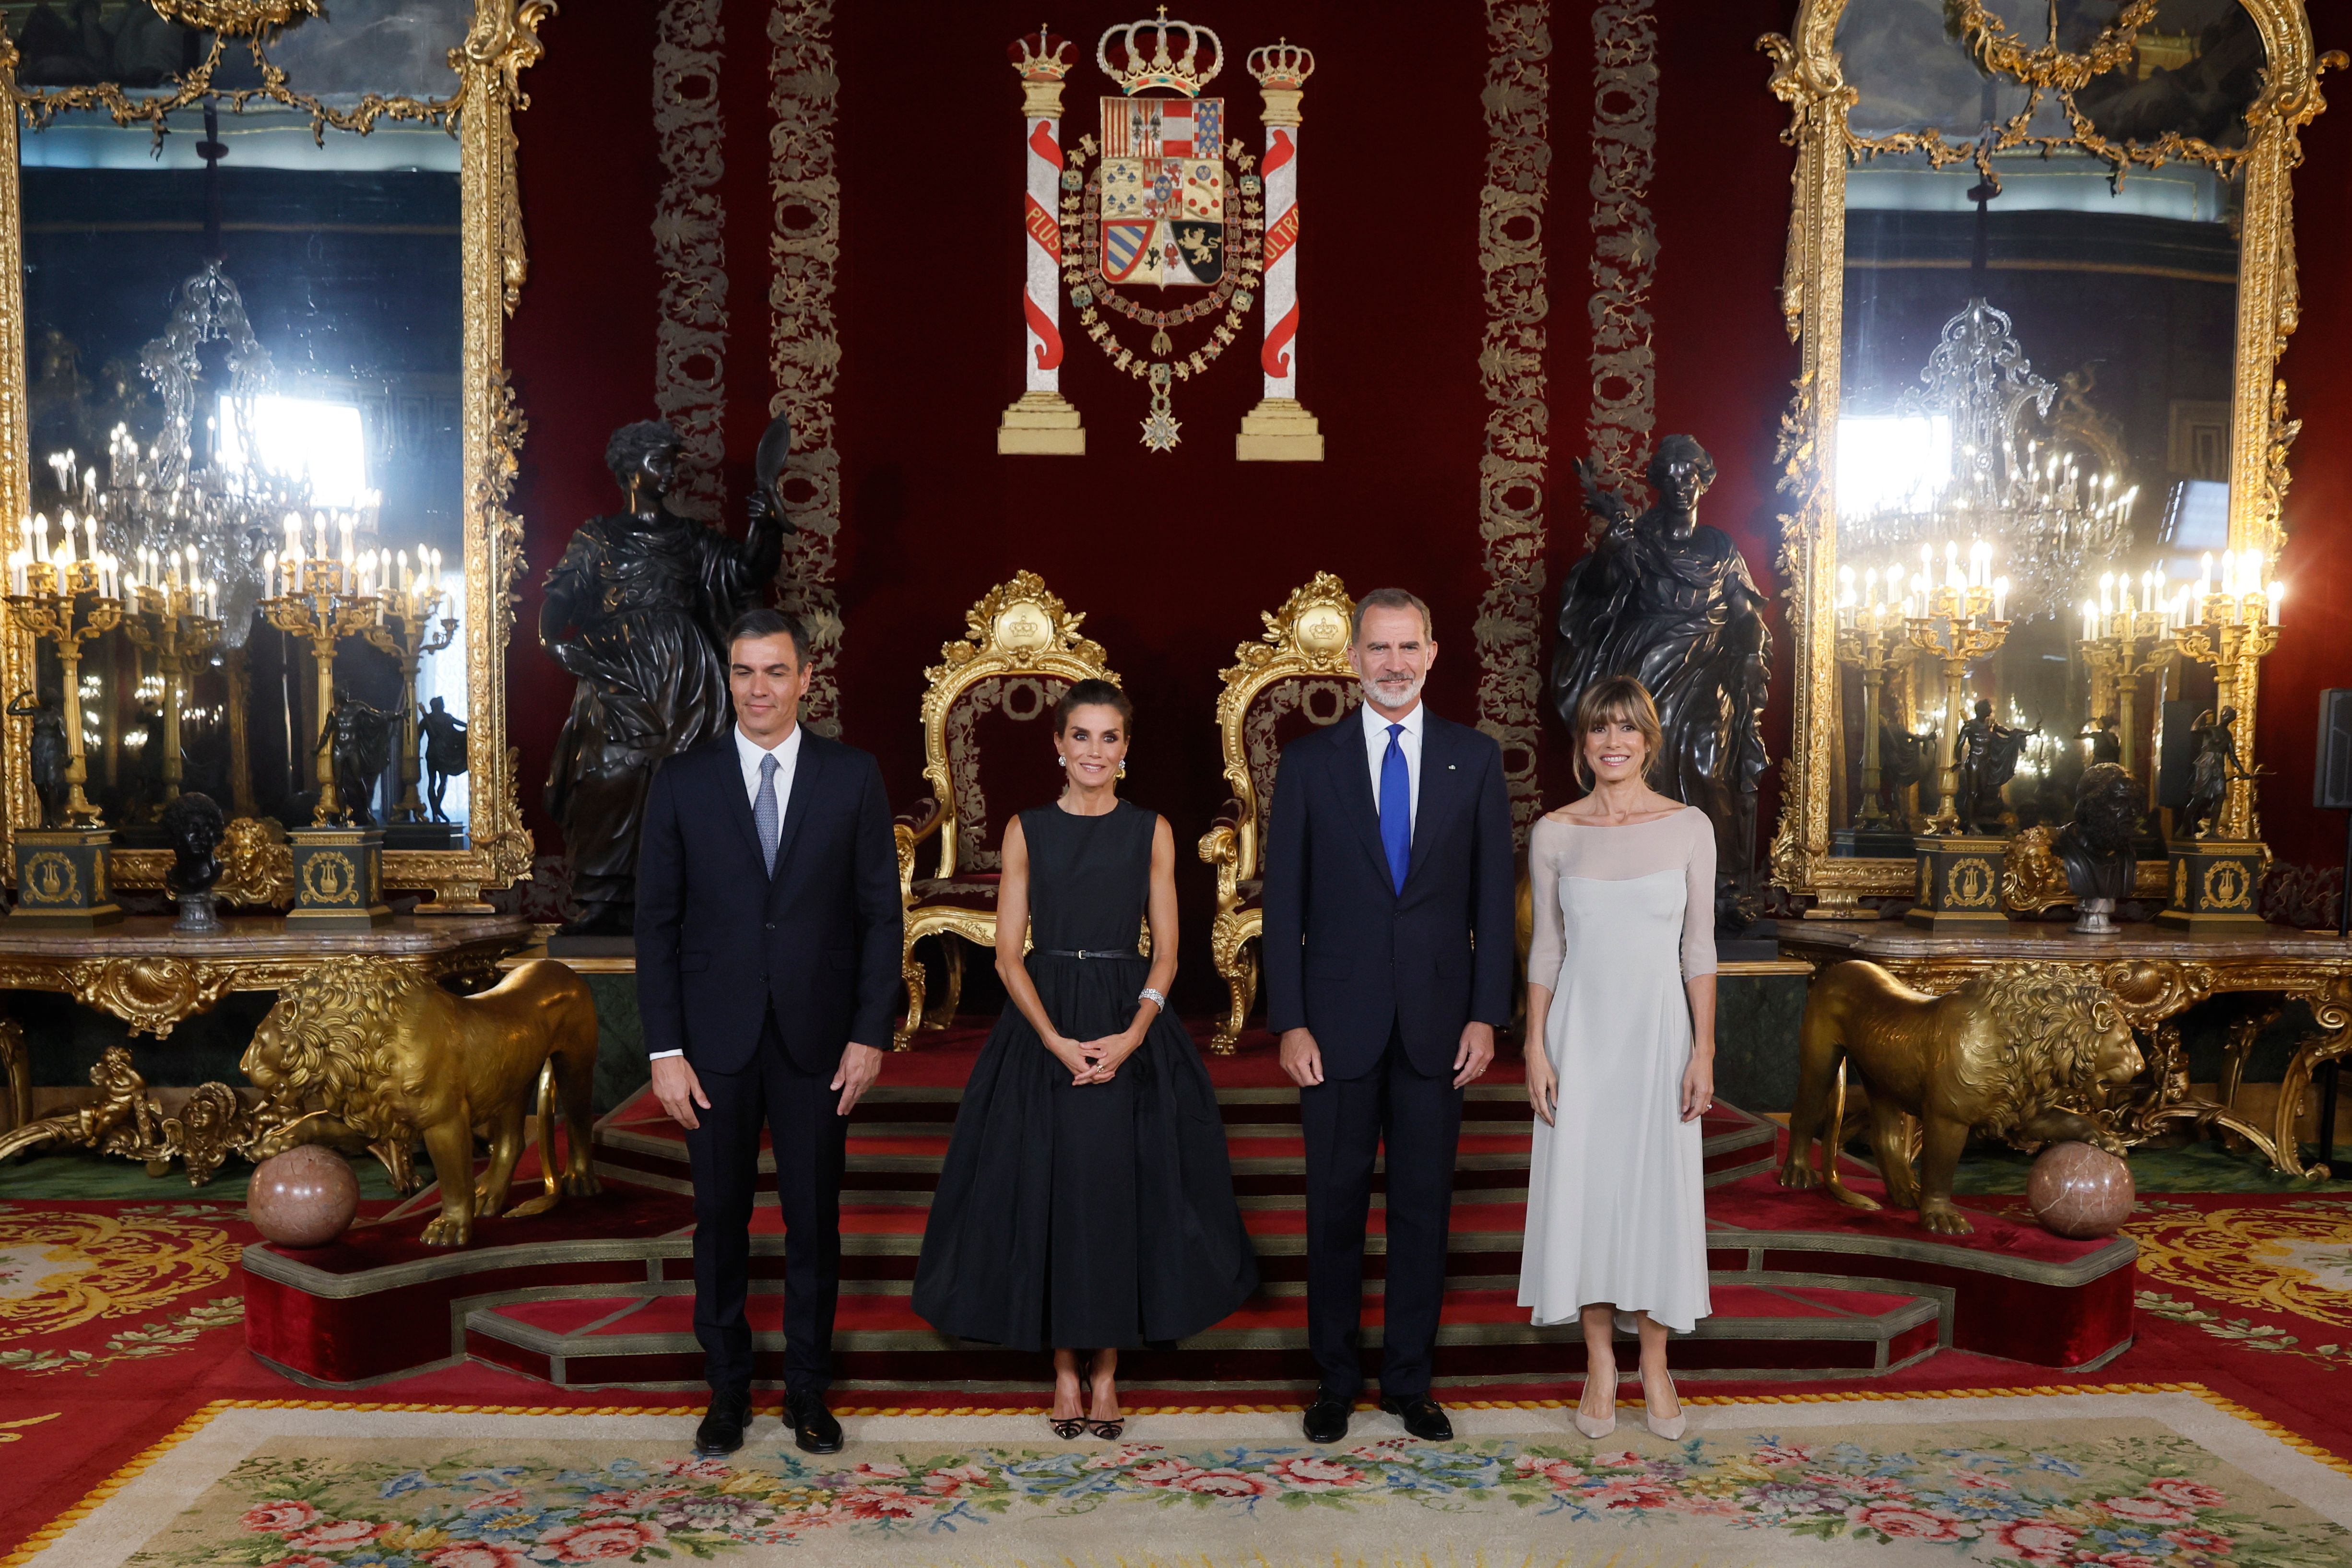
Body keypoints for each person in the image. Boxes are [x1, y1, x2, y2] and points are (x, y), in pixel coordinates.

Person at [913, 680, 1257, 1438]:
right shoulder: (1026, 828)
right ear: (1058, 746)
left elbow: (1167, 955)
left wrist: (1134, 1034)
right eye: (1081, 737)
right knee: (1055, 1190)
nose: (1094, 751)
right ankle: (1063, 1372)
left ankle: (1107, 1374)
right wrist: (1053, 1040)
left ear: (1124, 750)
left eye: (1108, 738)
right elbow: (1007, 956)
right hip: (1044, 1022)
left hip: (1128, 1017)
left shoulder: (1152, 830)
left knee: (1113, 1194)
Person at [635, 606, 900, 1459]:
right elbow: (656, 927)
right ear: (729, 677)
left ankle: (808, 1391)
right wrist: (664, 1050)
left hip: (820, 1043)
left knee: (813, 1223)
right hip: (710, 1046)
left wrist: (870, 1033)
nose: (759, 688)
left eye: (775, 671)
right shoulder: (681, 779)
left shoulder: (852, 776)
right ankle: (726, 1390)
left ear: (804, 679)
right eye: (745, 671)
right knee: (719, 1219)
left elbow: (878, 916)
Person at [1262, 587, 1515, 1446]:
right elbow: (1282, 902)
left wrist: (1487, 1015)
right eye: (1378, 648)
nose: (1393, 663)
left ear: (1433, 652)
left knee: (1421, 1208)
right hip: (1331, 1028)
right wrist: (1289, 1019)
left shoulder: (1474, 759)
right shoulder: (1306, 763)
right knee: (1332, 1208)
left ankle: (1409, 1379)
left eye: (1408, 646)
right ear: (1353, 658)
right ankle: (1334, 1378)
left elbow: (1491, 899)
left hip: (1438, 1027)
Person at [1521, 674, 1716, 1440]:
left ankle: (1655, 1362)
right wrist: (1535, 1045)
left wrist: (1702, 1047)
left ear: (1647, 739)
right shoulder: (1554, 832)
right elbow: (1545, 949)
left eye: (1626, 729)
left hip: (1659, 1033)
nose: (1612, 742)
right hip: (1579, 1033)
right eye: (1599, 729)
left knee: (1654, 1191)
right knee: (1588, 1192)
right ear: (1582, 742)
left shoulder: (1687, 826)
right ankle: (1600, 1361)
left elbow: (1698, 947)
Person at [542, 420, 785, 937]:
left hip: (687, 678)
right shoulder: (598, 536)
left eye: (674, 461)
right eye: (661, 462)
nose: (671, 472)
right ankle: (605, 898)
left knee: (691, 785)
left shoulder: (689, 537)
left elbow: (746, 572)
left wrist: (765, 526)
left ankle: (694, 898)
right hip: (619, 671)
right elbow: (559, 601)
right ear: (632, 471)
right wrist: (555, 641)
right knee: (612, 775)